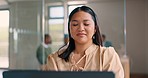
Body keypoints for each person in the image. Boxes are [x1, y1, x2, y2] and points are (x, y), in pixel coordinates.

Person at [45, 6, 124, 78]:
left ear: (95, 29)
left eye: (86, 24)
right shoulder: (55, 59)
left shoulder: (107, 56)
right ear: (69, 29)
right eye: (75, 24)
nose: (81, 28)